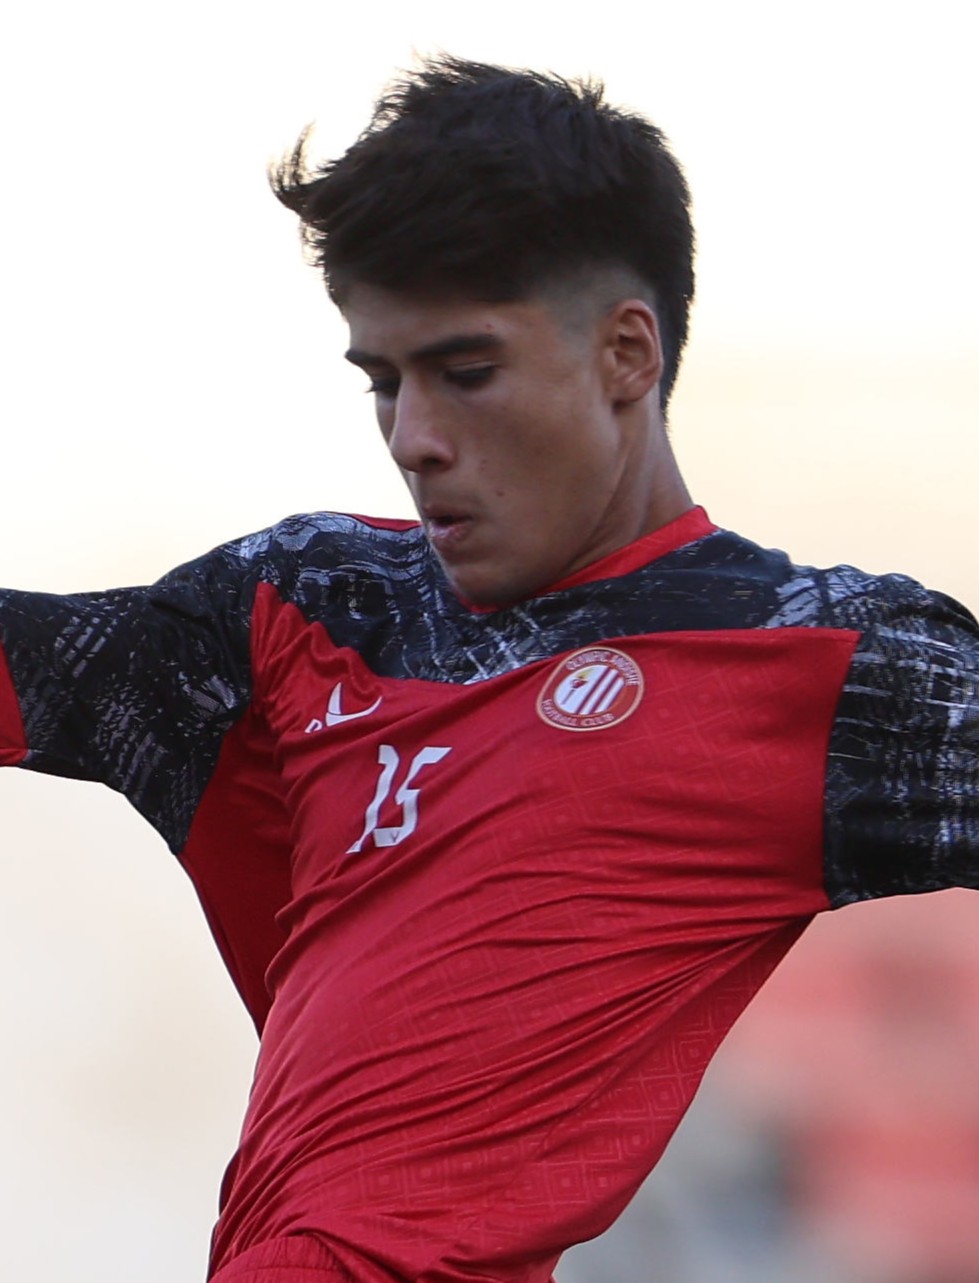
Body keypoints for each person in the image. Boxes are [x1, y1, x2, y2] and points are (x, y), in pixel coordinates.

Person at [1, 54, 976, 1283]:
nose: (413, 436)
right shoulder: (306, 605)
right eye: (382, 381)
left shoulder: (824, 664)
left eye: (465, 372)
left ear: (626, 353)